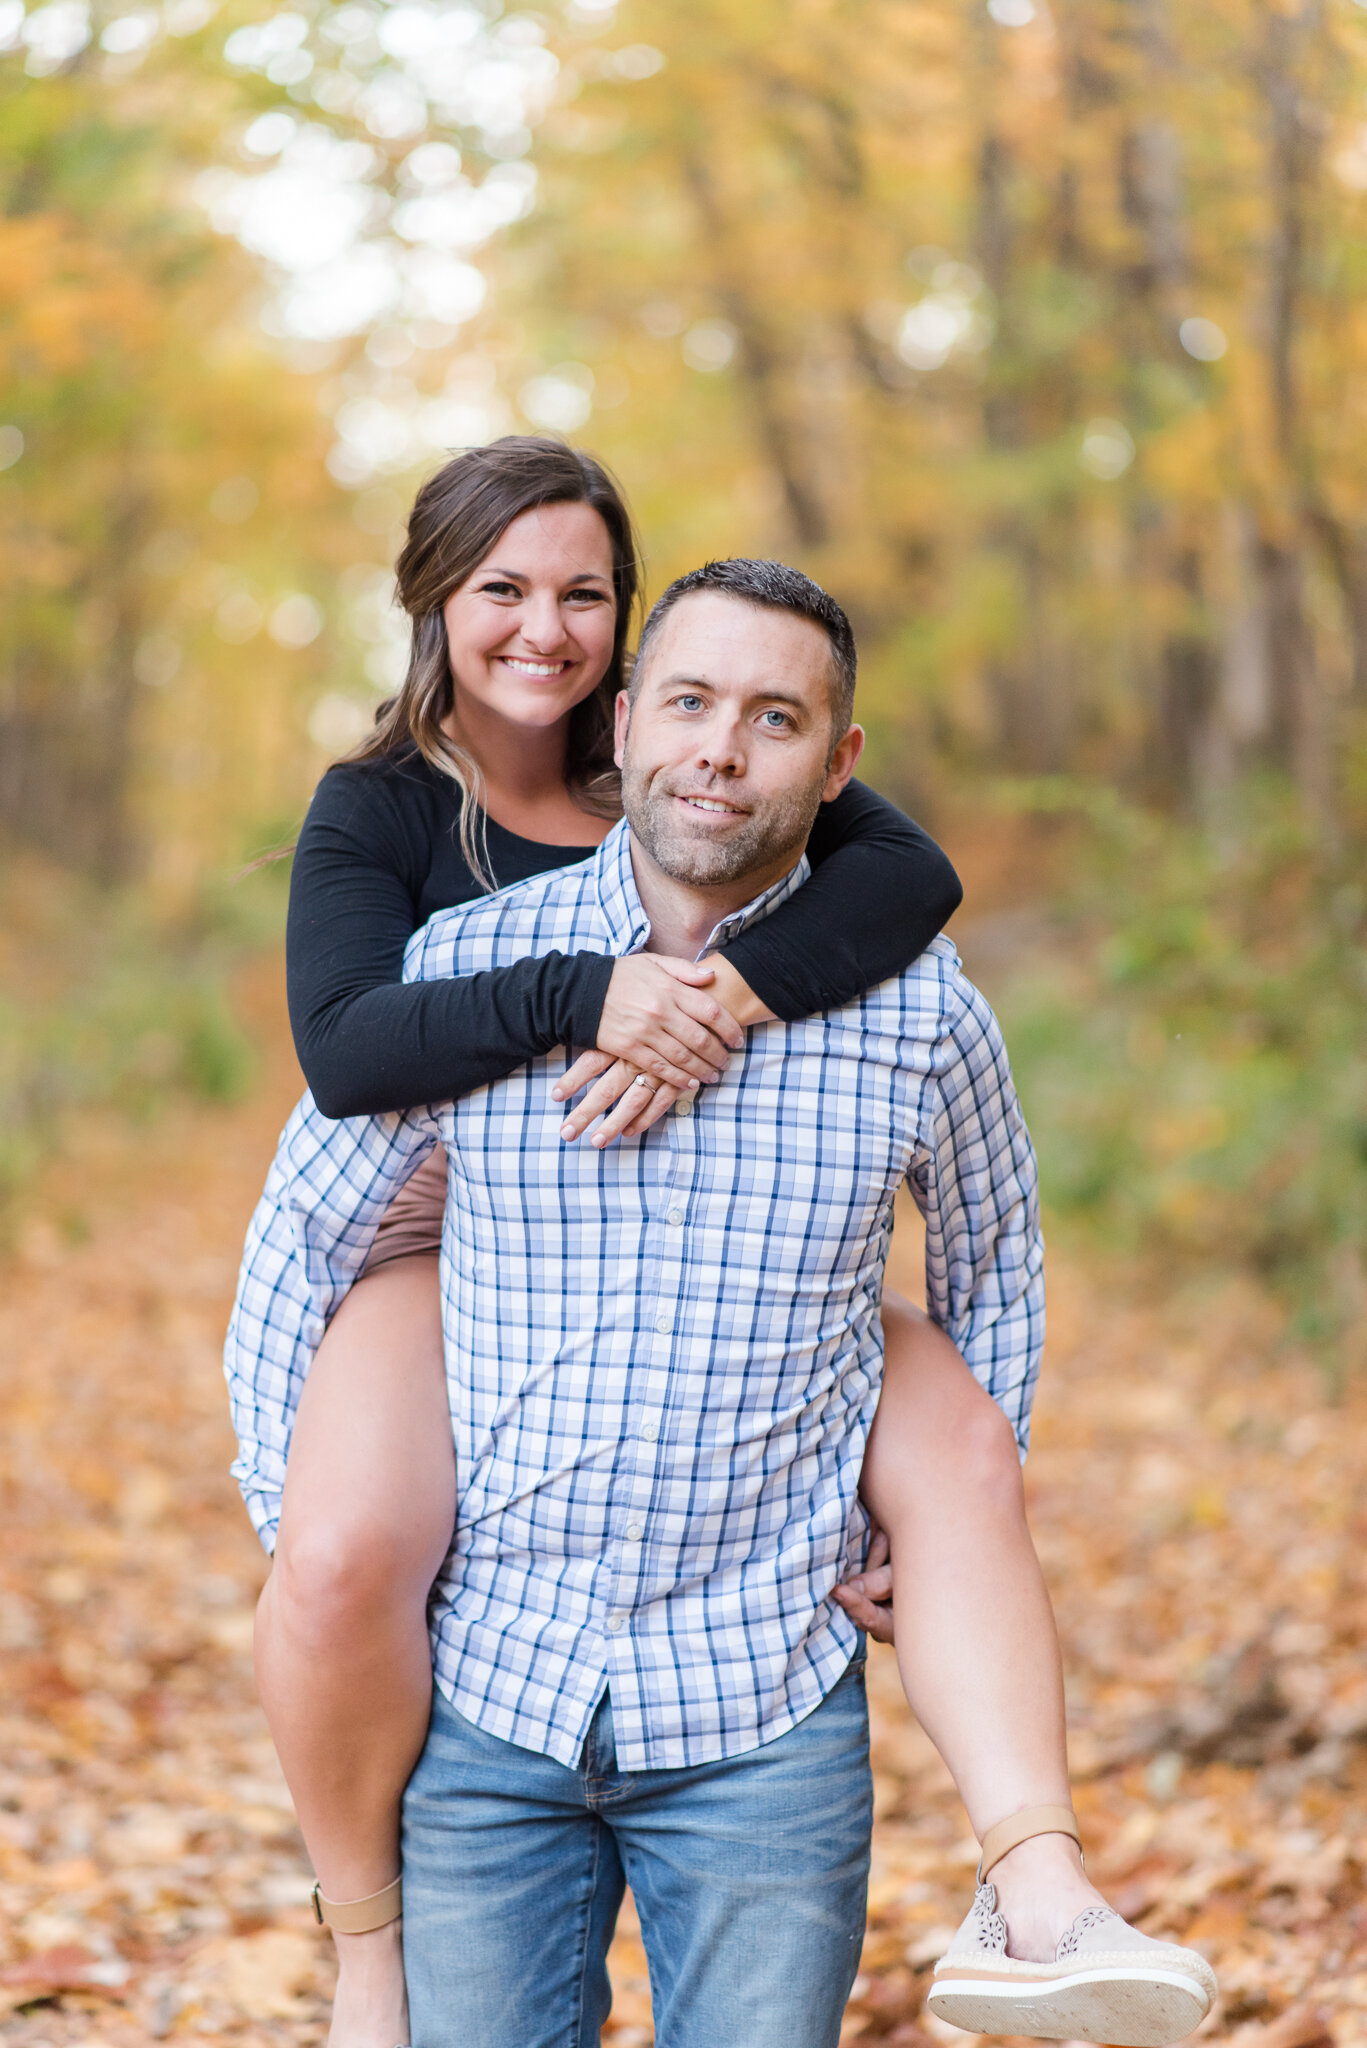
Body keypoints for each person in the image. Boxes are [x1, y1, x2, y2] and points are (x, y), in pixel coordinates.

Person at [227, 554, 1217, 2048]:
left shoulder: (920, 1010)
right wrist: (287, 1508)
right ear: (621, 725)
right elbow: (304, 1244)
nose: (721, 747)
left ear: (837, 766)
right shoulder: (470, 967)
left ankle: (1039, 1898)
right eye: (688, 702)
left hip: (760, 1702)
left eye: (774, 718)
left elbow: (995, 1252)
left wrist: (936, 1507)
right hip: (495, 1686)